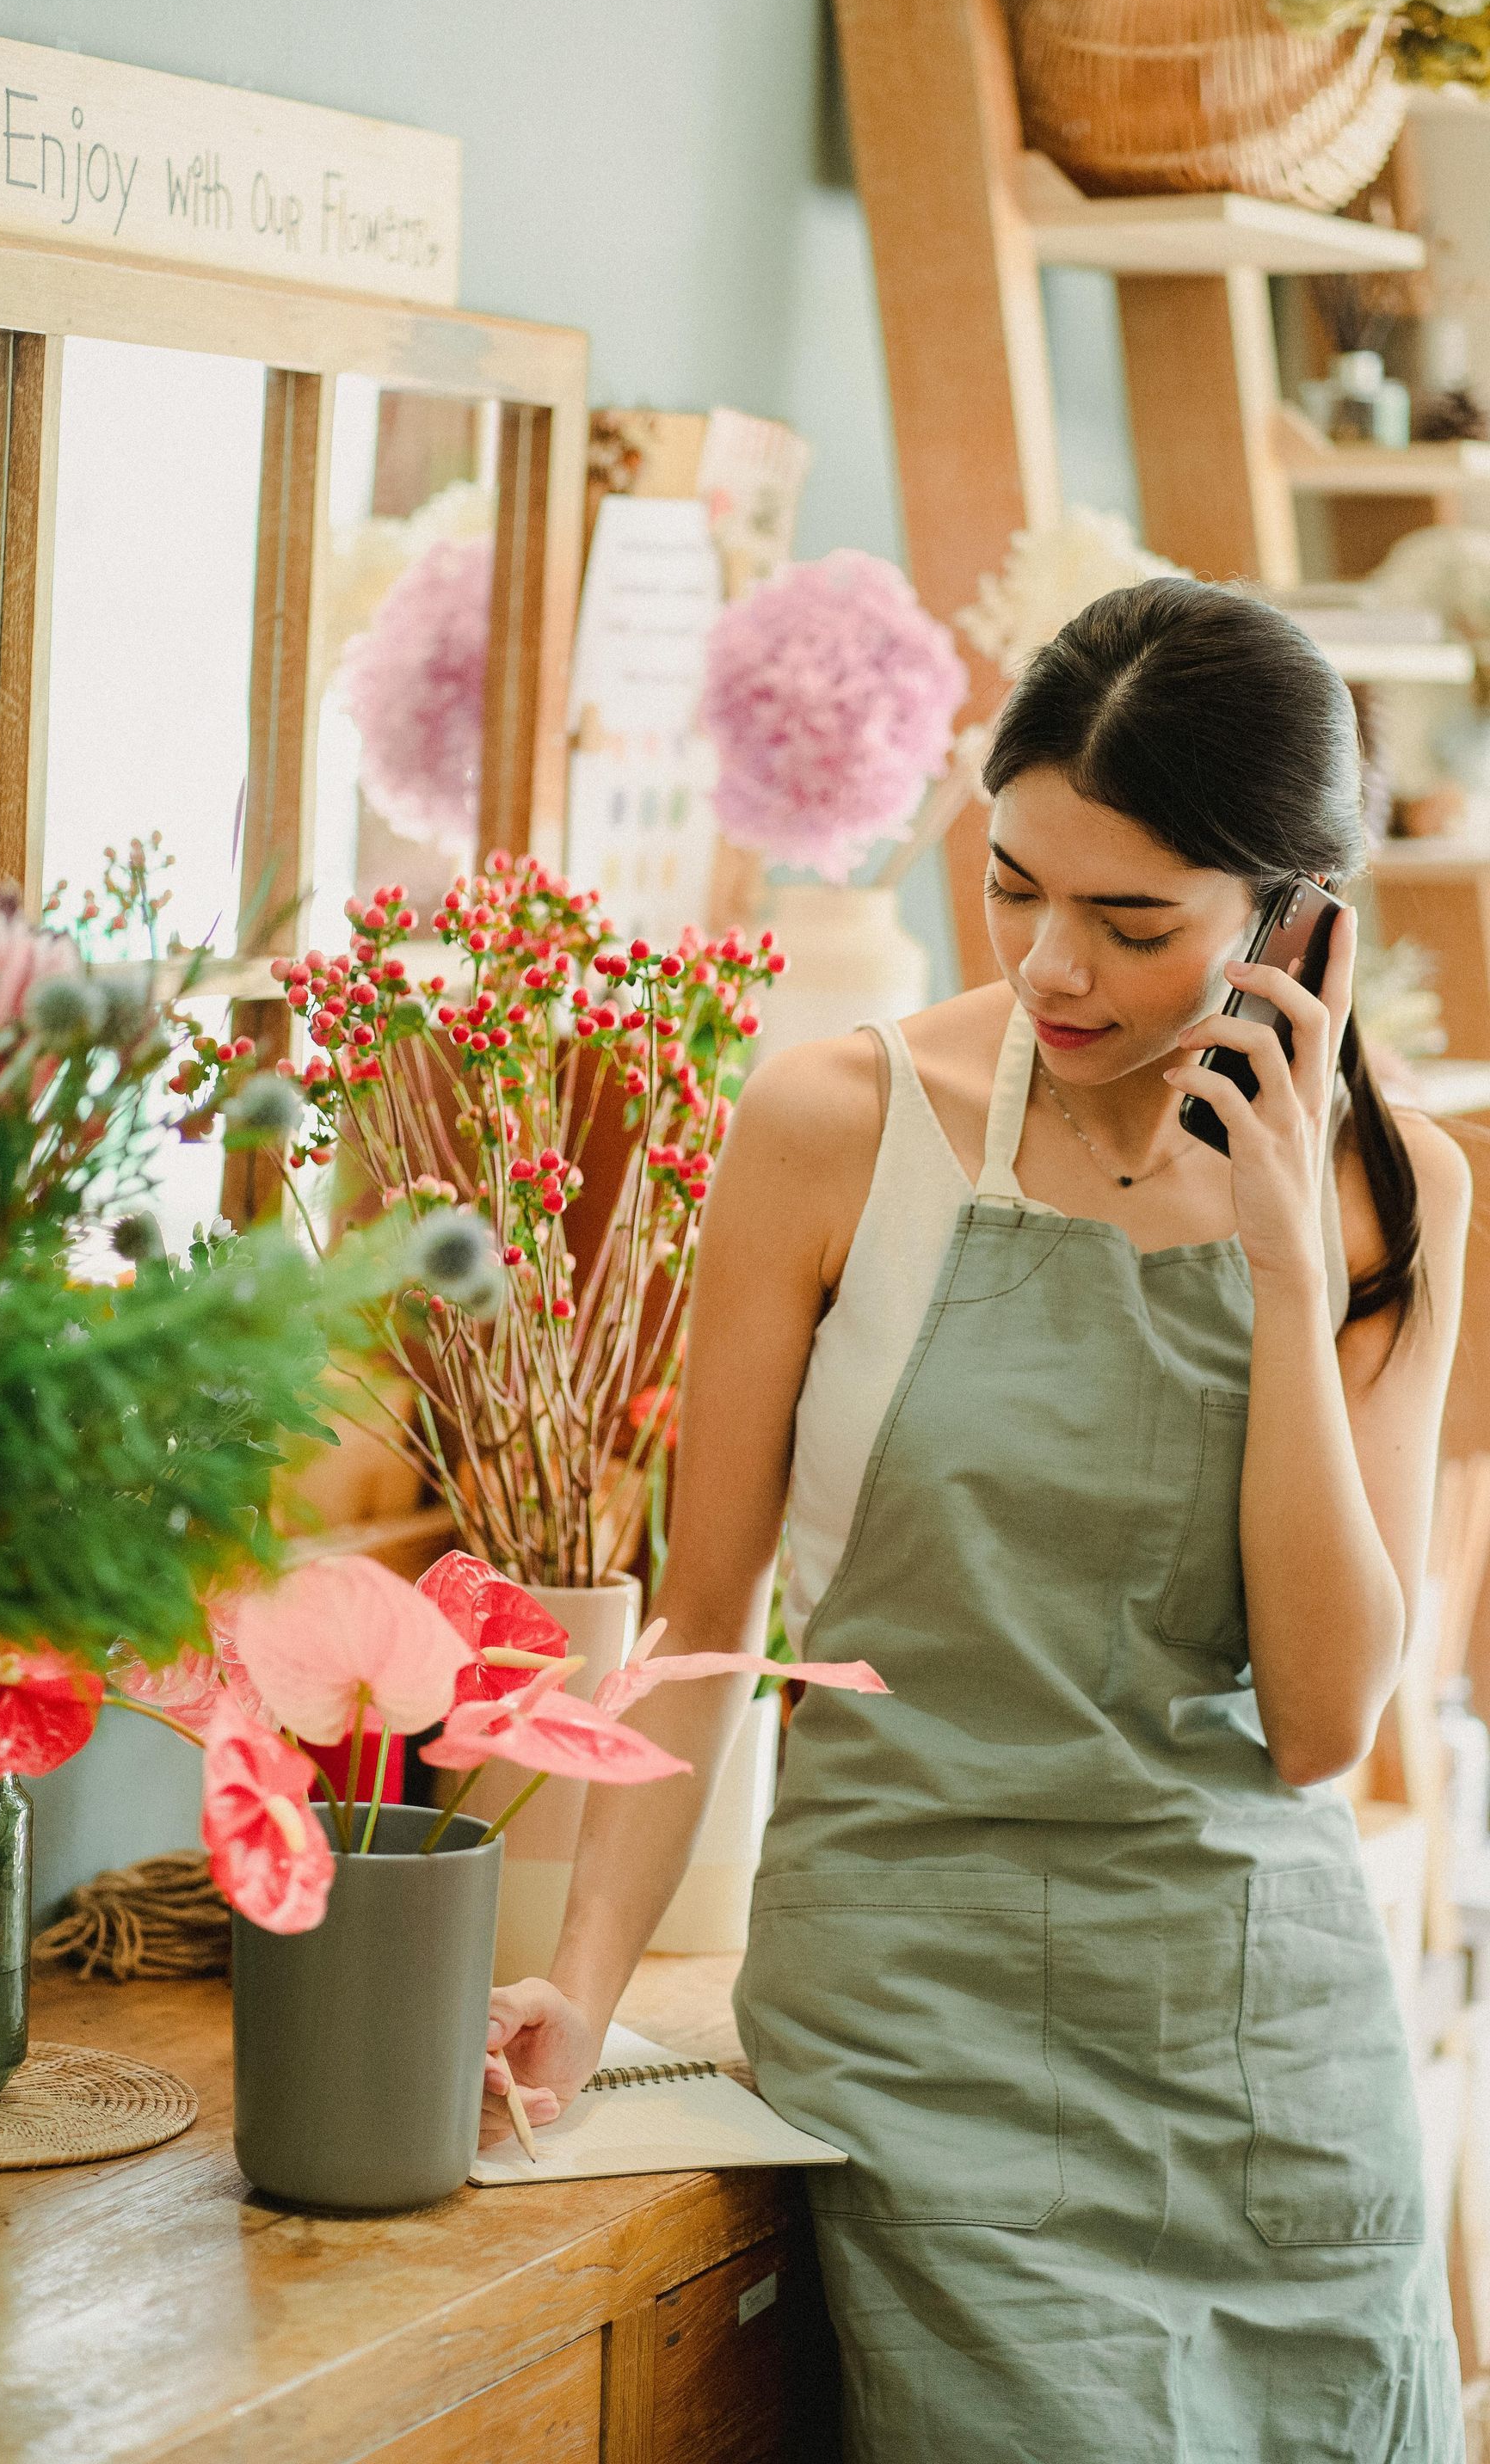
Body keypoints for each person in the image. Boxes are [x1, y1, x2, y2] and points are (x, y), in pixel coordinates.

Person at [483, 579, 1474, 2460]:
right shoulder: (838, 1122)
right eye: (1014, 884)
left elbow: (1326, 1721)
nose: (1053, 970)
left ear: (1296, 922)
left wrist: (1279, 1276)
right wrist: (584, 1990)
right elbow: (705, 1615)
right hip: (919, 2032)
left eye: (1134, 922)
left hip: (1269, 2052)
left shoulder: (1386, 1199)